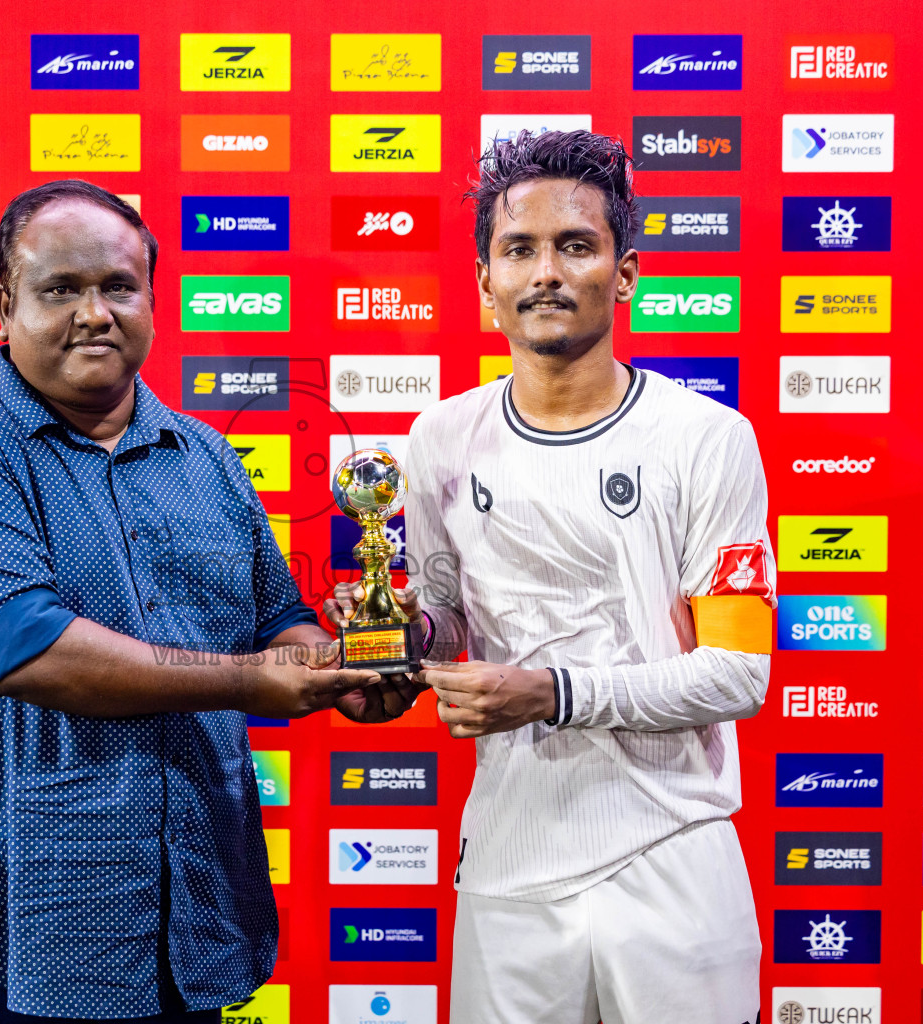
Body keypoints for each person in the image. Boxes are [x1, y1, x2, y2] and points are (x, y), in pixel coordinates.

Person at [0, 179, 411, 1024]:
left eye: (118, 287)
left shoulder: (203, 456)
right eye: (61, 290)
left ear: (154, 299)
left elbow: (278, 625)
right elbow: (31, 651)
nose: (95, 313)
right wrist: (247, 681)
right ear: (4, 305)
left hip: (182, 933)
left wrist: (348, 669)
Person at [326, 130, 775, 1024]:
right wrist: (403, 635)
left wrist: (551, 693)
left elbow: (737, 672)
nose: (546, 273)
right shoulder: (440, 439)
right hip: (509, 861)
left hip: (672, 854)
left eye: (576, 245)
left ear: (627, 271)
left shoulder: (706, 438)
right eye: (518, 249)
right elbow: (449, 621)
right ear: (485, 282)